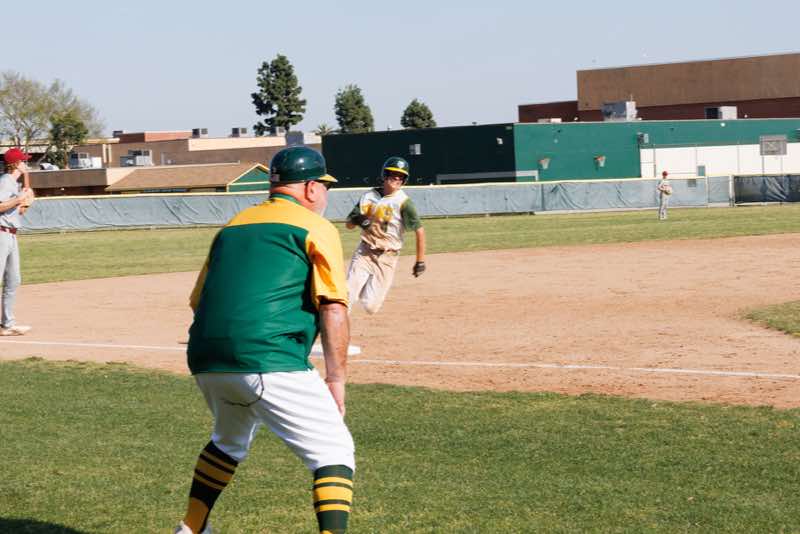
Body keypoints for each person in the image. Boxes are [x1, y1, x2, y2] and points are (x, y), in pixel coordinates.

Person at [175, 146, 355, 534]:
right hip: (269, 357)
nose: (325, 194)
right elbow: (333, 308)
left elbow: (197, 300)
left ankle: (190, 529)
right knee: (333, 451)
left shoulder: (233, 226)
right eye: (324, 187)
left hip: (206, 357)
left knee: (228, 441)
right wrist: (336, 379)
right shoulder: (315, 227)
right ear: (310, 188)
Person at [345, 156, 426, 314]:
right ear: (385, 174)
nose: (397, 178)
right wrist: (358, 220)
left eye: (401, 176)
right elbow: (348, 225)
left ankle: (362, 287)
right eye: (393, 174)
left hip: (387, 257)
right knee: (347, 297)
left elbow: (420, 231)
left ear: (405, 180)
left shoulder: (404, 202)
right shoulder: (369, 196)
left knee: (370, 307)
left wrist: (420, 261)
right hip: (365, 251)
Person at [0, 148, 35, 336]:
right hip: (1, 234)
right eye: (23, 161)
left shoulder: (14, 183)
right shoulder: (5, 181)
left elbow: (18, 211)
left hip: (11, 235)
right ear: (15, 164)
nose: (25, 163)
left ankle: (7, 324)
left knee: (13, 280)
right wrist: (18, 199)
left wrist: (25, 203)